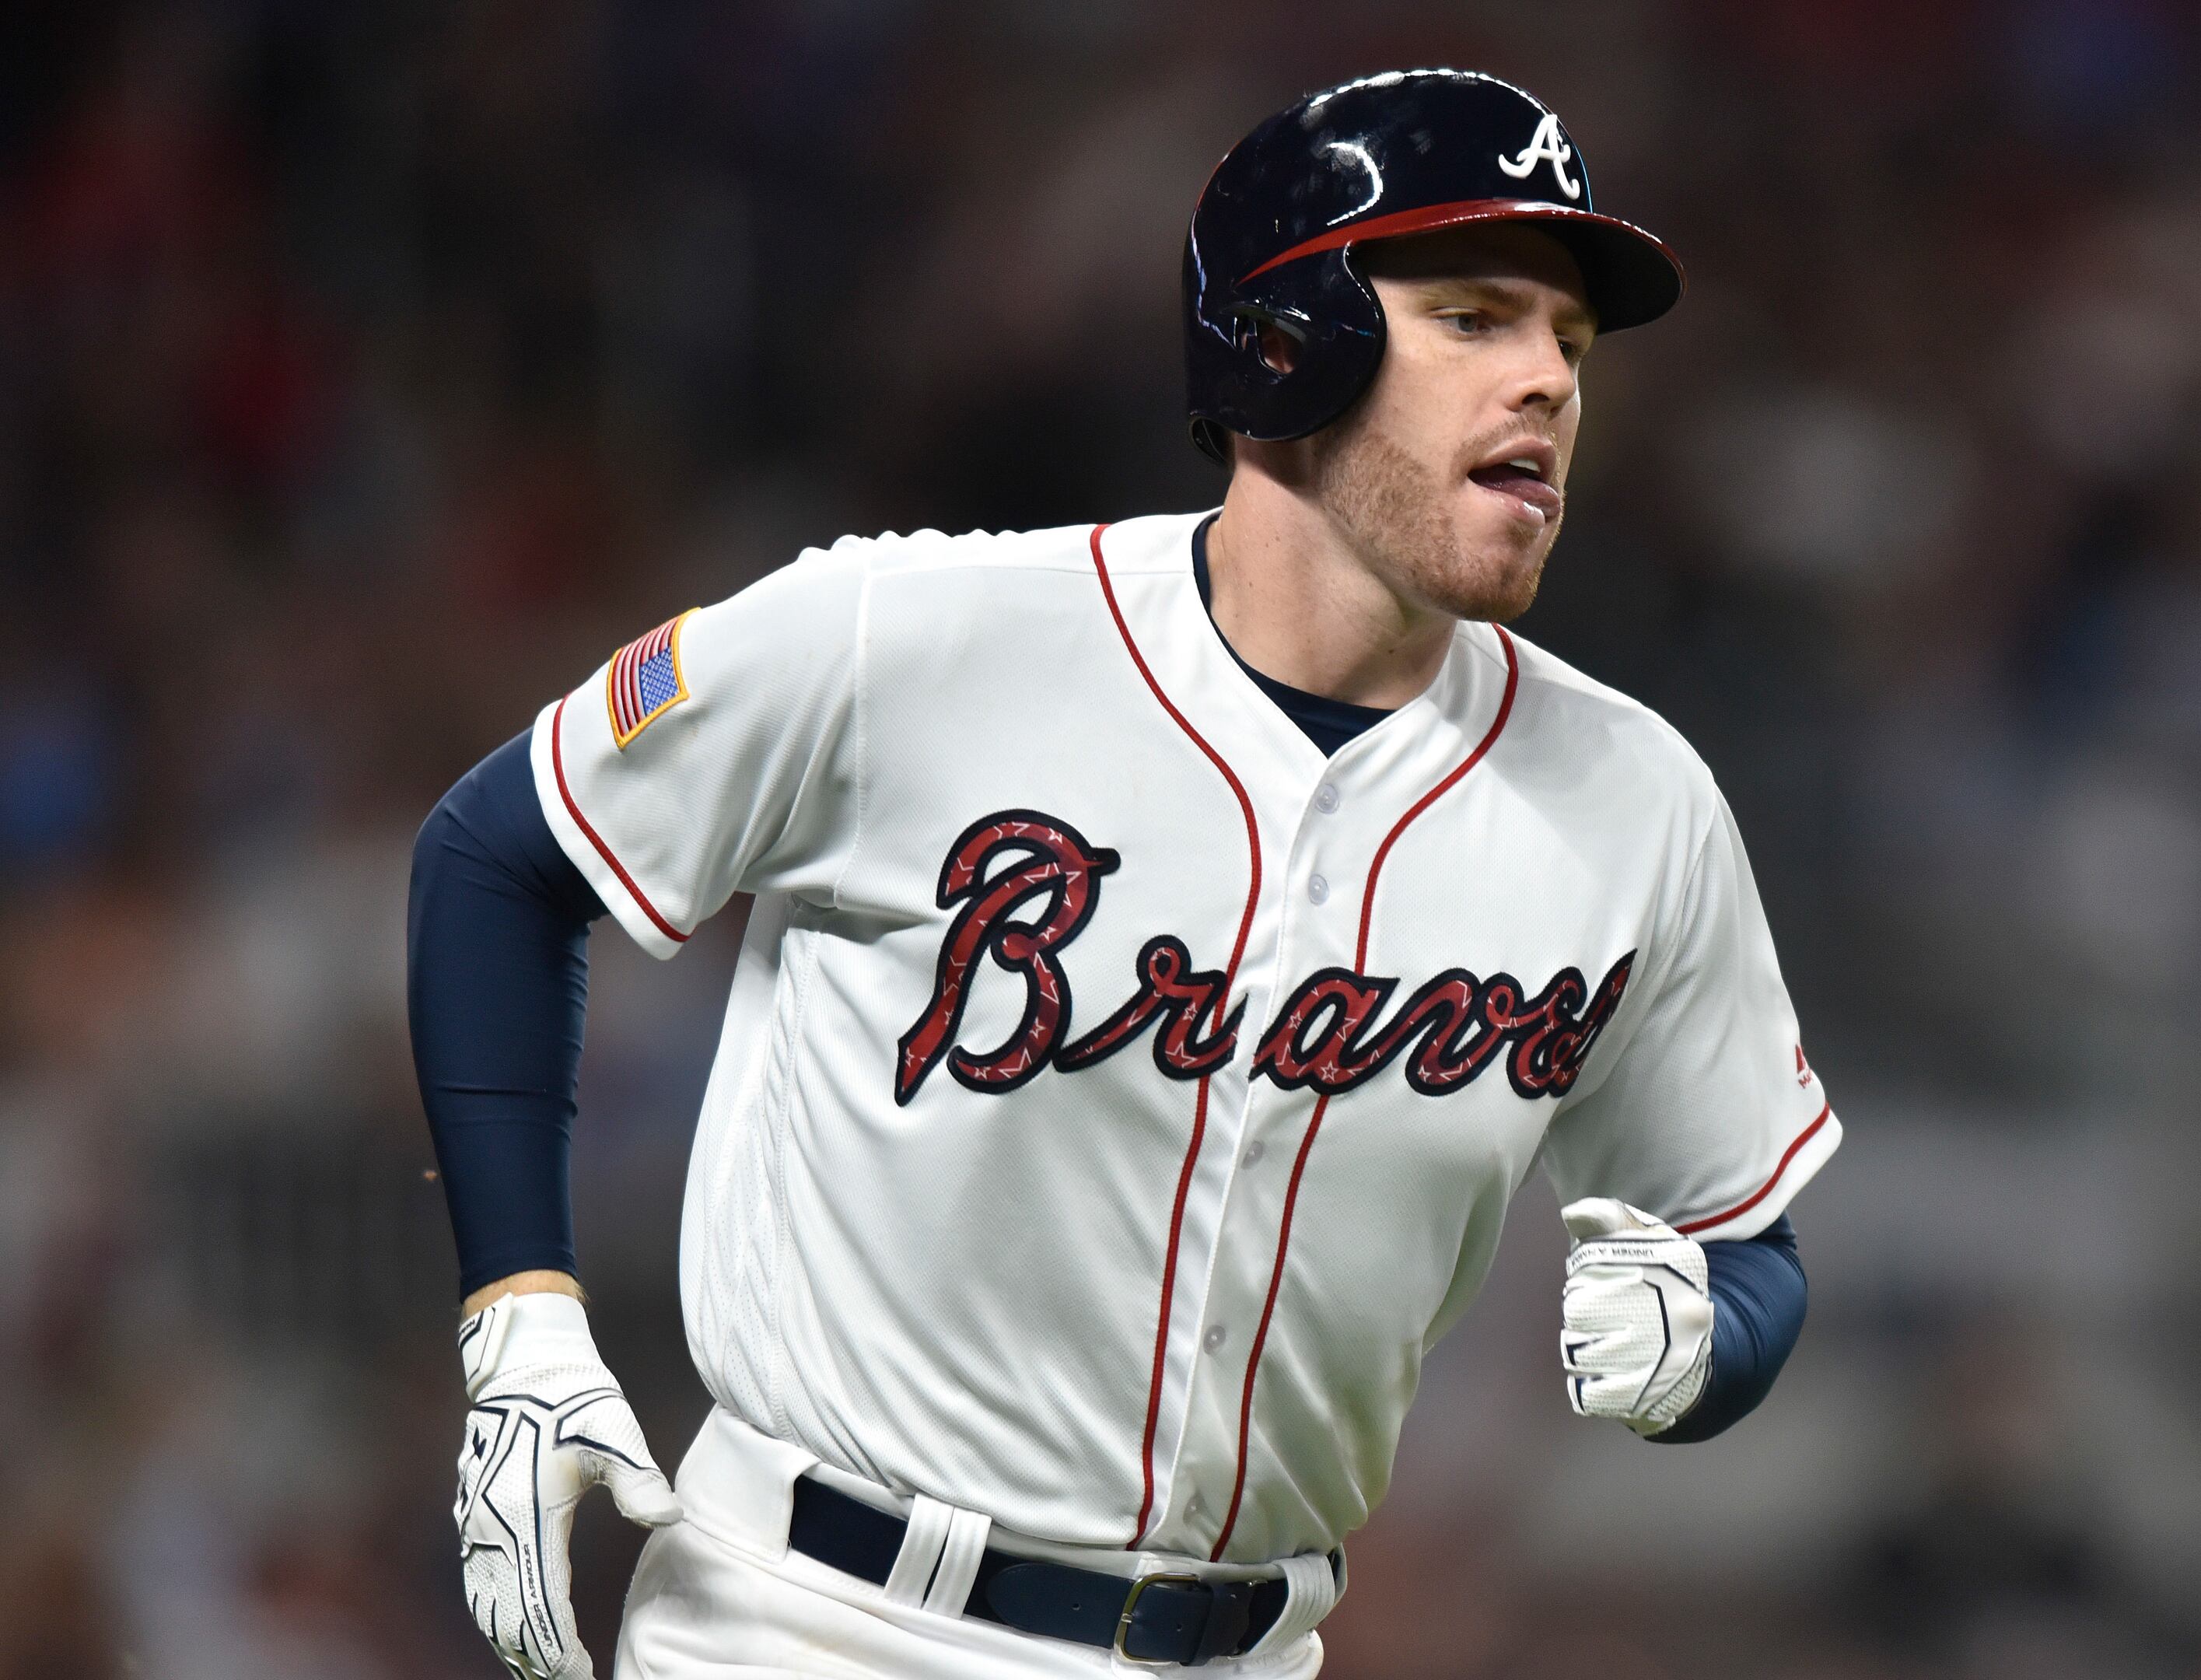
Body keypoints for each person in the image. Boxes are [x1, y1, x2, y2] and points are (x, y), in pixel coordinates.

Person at [408, 69, 1838, 1678]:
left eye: (1569, 345)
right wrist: (519, 1315)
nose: (1549, 385)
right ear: (1285, 340)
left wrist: (1699, 1343)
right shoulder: (914, 641)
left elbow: (1745, 1241)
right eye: (1476, 319)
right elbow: (496, 855)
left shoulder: (1634, 804)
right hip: (815, 1623)